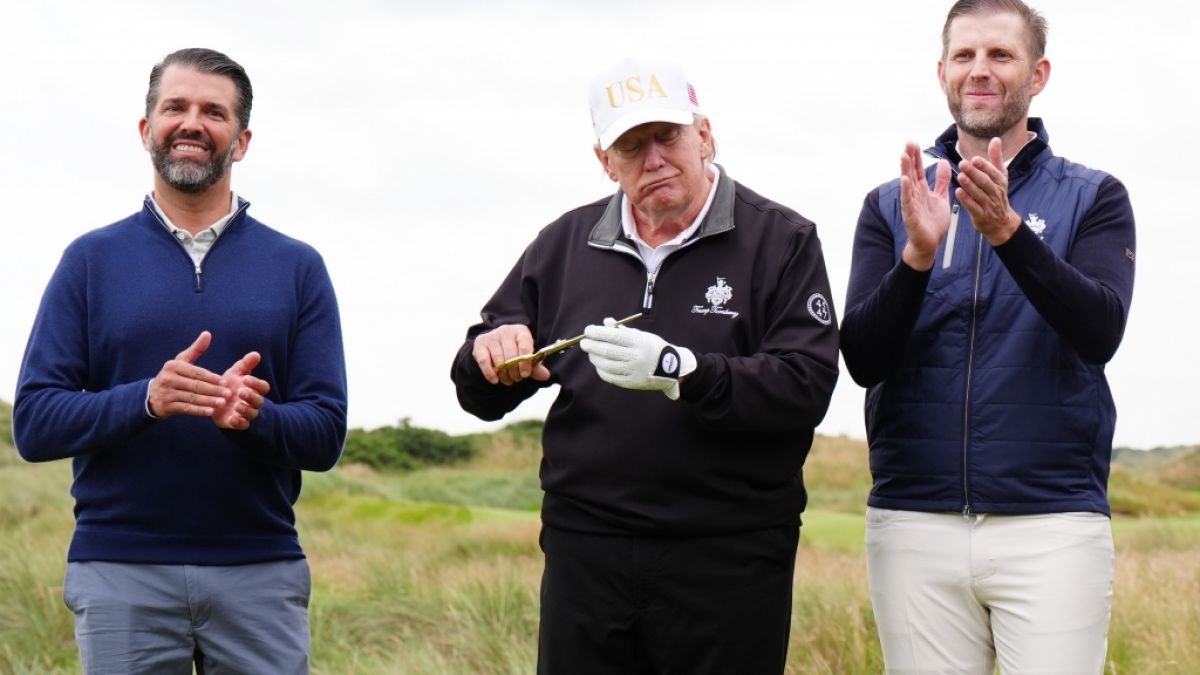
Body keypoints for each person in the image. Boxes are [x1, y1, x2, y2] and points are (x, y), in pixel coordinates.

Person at [450, 57, 839, 674]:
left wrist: (685, 370)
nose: (654, 159)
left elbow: (805, 385)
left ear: (704, 135)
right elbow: (477, 390)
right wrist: (489, 355)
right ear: (605, 161)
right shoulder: (564, 245)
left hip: (730, 555)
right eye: (631, 146)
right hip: (589, 552)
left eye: (668, 137)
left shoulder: (780, 239)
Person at [13, 48, 347, 674]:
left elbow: (326, 434)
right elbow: (34, 423)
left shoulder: (298, 267)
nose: (193, 122)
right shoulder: (89, 261)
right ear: (147, 130)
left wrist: (255, 418)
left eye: (213, 112)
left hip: (260, 571)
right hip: (120, 571)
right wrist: (148, 399)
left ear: (240, 141)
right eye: (176, 107)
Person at [841, 1, 1136, 672]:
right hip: (914, 520)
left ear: (1039, 73)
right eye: (966, 56)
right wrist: (917, 256)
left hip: (1052, 523)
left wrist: (1006, 231)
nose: (980, 71)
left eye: (1000, 55)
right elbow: (863, 358)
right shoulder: (891, 204)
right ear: (942, 70)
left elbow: (1099, 330)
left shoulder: (1095, 197)